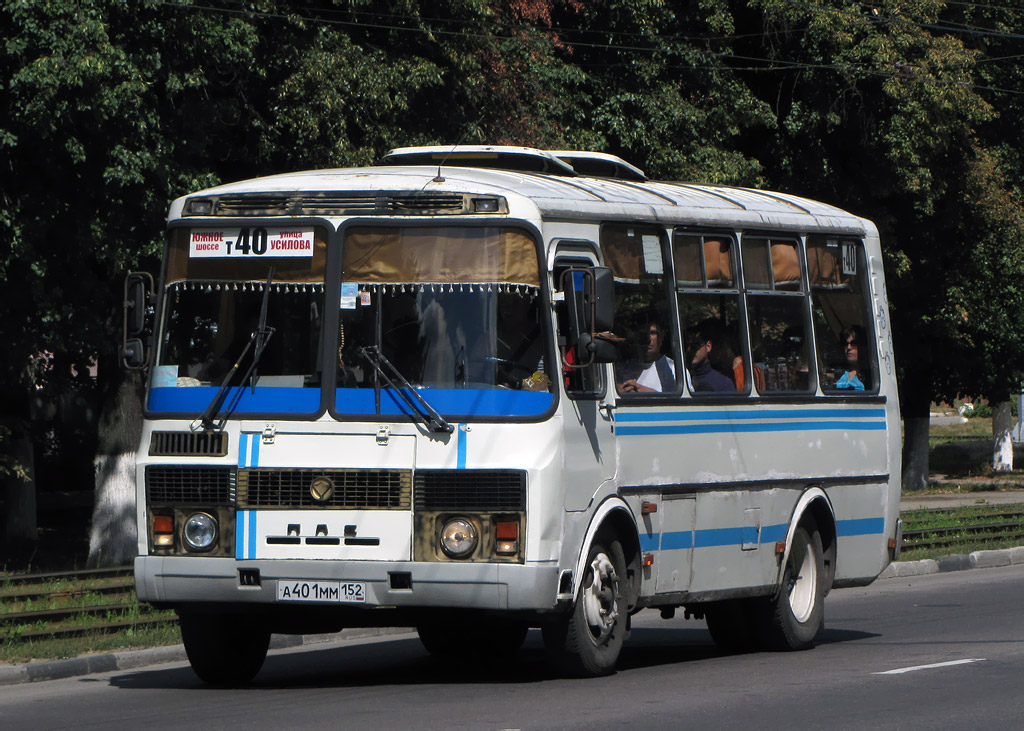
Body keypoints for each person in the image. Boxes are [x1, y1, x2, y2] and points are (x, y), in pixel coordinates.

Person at [618, 322, 676, 393]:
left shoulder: (675, 370)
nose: (648, 339)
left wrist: (649, 395)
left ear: (661, 336)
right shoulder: (624, 369)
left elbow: (682, 402)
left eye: (653, 333)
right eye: (643, 334)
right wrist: (620, 390)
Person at [687, 319, 735, 392]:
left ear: (708, 346)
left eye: (695, 345)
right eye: (687, 345)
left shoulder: (723, 384)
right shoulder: (680, 379)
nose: (690, 350)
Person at [836, 324, 866, 391]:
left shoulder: (873, 376)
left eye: (854, 343)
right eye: (845, 343)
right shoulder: (837, 373)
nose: (849, 347)